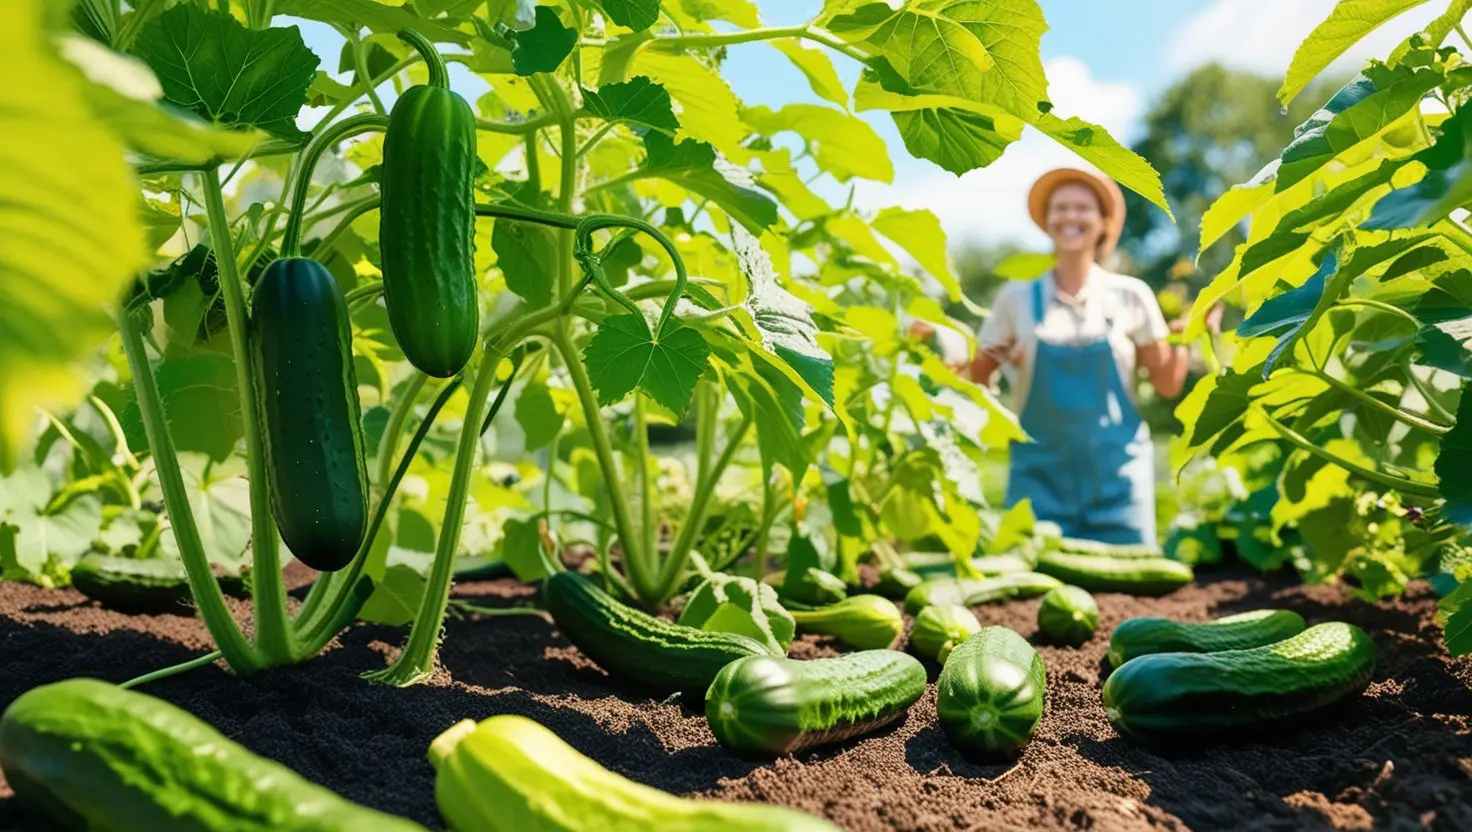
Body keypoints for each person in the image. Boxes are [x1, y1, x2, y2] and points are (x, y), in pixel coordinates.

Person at [952, 168, 1215, 545]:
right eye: (1060, 208)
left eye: (1081, 208)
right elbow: (975, 380)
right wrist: (988, 359)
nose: (1070, 217)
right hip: (1037, 483)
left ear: (1103, 221)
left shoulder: (1131, 295)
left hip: (1119, 483)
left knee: (1127, 594)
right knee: (1036, 595)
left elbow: (1167, 383)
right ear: (1046, 221)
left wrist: (1190, 335)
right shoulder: (1016, 298)